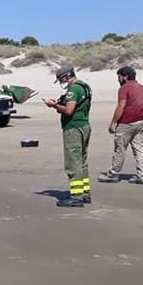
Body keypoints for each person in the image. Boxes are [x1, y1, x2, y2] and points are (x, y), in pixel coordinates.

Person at [44, 65, 92, 207]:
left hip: (74, 128)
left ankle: (77, 196)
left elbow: (69, 110)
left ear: (66, 77)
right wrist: (59, 102)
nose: (61, 83)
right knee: (82, 161)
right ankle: (85, 194)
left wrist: (53, 106)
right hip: (84, 126)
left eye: (60, 80)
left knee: (73, 162)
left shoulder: (74, 89)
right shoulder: (85, 86)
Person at [98, 66, 143, 185]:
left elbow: (121, 106)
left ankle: (113, 174)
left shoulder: (124, 88)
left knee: (120, 149)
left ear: (125, 77)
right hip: (139, 123)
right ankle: (142, 175)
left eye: (119, 77)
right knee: (139, 149)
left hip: (126, 124)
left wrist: (113, 122)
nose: (118, 79)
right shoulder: (142, 88)